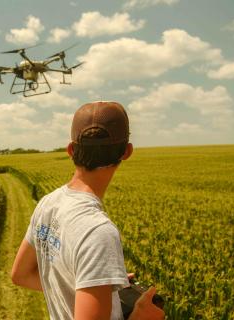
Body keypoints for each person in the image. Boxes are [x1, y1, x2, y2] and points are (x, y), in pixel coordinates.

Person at [11, 101, 165, 320]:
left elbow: (21, 275)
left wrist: (98, 288)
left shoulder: (48, 203)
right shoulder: (99, 232)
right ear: (127, 151)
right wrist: (141, 316)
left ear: (71, 150)